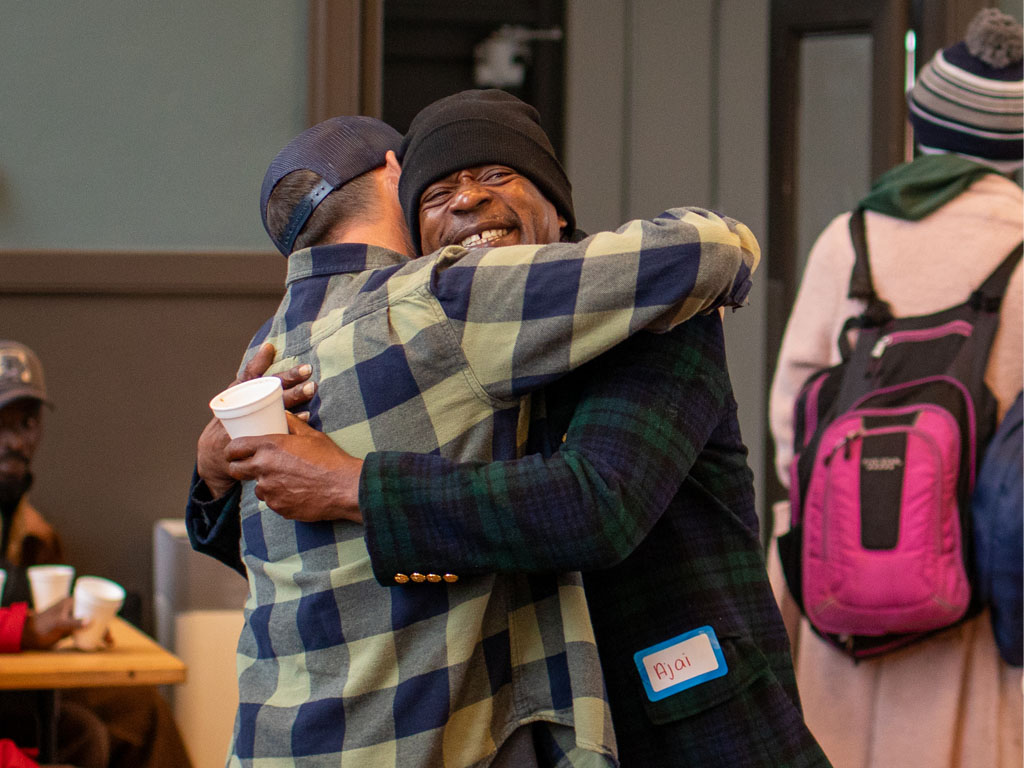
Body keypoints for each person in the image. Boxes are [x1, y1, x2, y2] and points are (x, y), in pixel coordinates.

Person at [196, 91, 828, 766]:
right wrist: (216, 473)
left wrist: (358, 486)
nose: (467, 200)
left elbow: (598, 506)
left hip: (684, 720)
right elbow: (327, 555)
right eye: (436, 193)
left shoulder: (656, 312)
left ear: (558, 206)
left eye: (497, 176)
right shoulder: (429, 341)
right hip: (537, 730)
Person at [768, 9, 1023, 768]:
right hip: (978, 618)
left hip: (844, 607)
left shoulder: (846, 241)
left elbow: (794, 430)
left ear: (924, 129)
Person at [0, 340, 194, 768]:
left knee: (141, 711)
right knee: (82, 735)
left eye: (27, 422)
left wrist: (69, 628)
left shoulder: (31, 528)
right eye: (1, 423)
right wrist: (25, 628)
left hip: (21, 676)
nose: (14, 441)